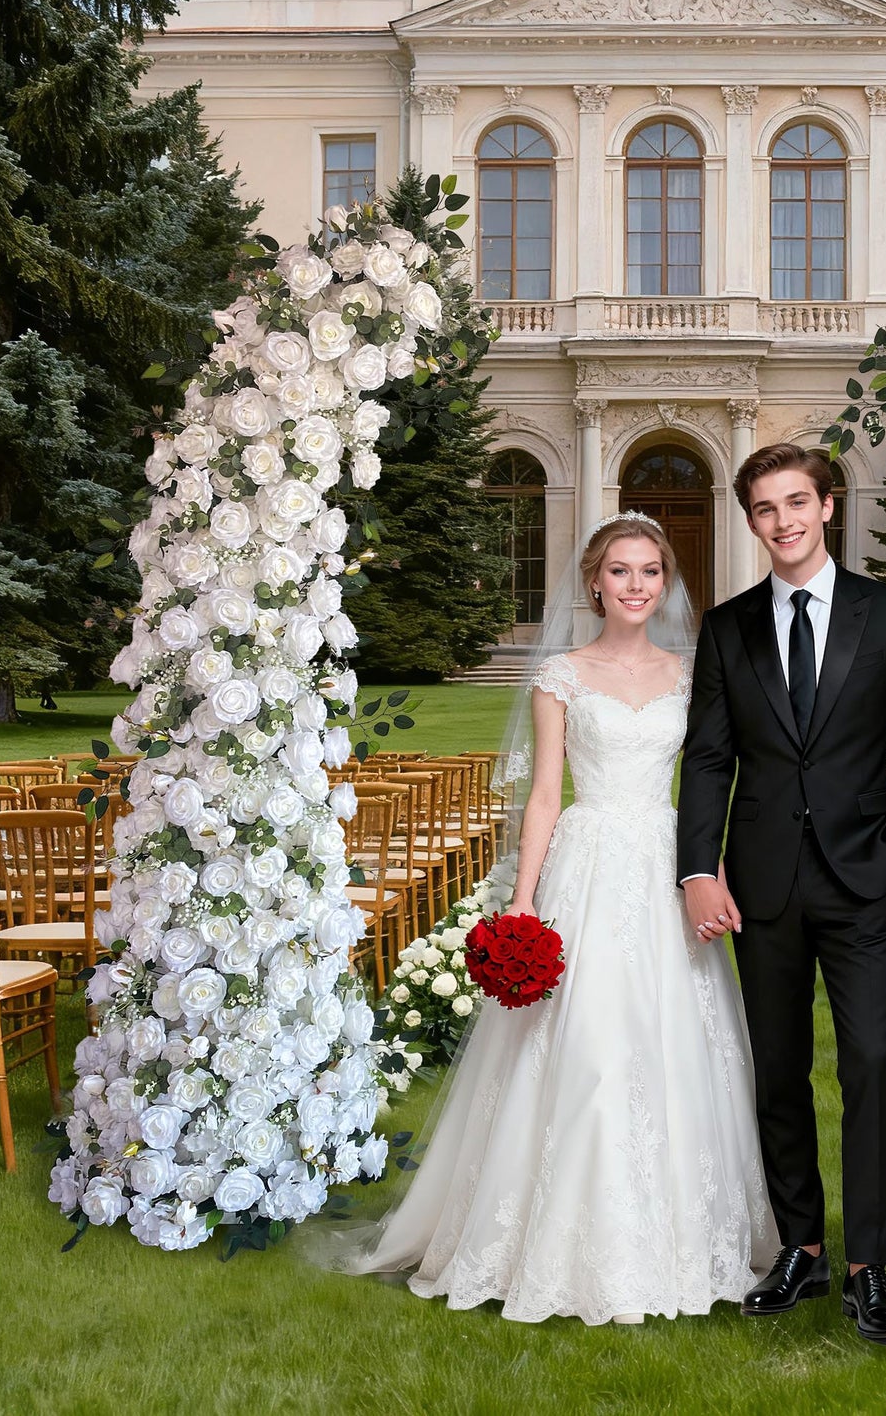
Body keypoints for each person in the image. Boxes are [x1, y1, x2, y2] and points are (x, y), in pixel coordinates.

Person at [339, 513, 776, 1324]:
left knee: (675, 1039)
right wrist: (523, 899)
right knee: (583, 1043)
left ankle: (682, 1236)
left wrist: (709, 867)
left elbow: (713, 779)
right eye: (620, 571)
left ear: (666, 583)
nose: (637, 585)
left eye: (651, 571)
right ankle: (549, 1243)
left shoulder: (693, 674)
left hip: (662, 862)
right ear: (594, 583)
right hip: (586, 861)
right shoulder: (561, 677)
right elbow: (545, 795)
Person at [677, 444, 886, 1346]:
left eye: (797, 502)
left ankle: (870, 1266)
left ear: (826, 507)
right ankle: (801, 1245)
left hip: (866, 876)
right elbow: (711, 757)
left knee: (872, 1063)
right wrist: (697, 869)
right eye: (765, 508)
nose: (783, 521)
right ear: (751, 521)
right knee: (780, 1071)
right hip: (762, 887)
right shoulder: (728, 627)